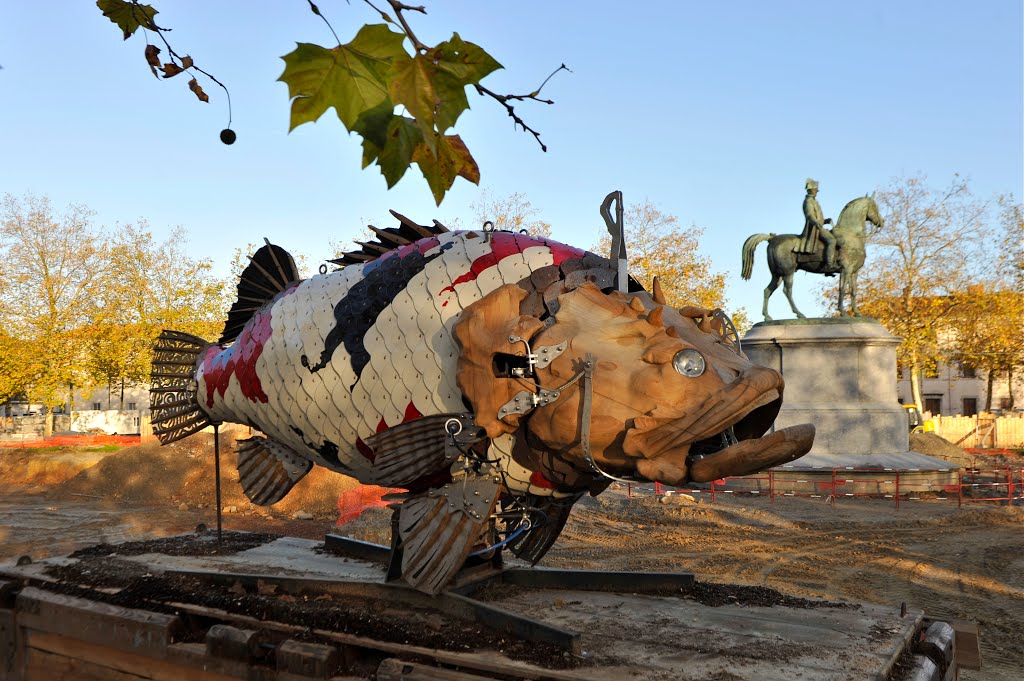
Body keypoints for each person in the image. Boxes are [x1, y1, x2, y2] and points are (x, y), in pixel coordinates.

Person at [796, 178, 836, 270]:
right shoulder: (808, 201)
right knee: (832, 240)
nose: (816, 192)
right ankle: (829, 264)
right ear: (811, 190)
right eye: (815, 190)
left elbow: (817, 216)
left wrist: (825, 221)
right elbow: (810, 215)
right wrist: (816, 222)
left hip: (818, 225)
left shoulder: (814, 201)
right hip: (814, 228)